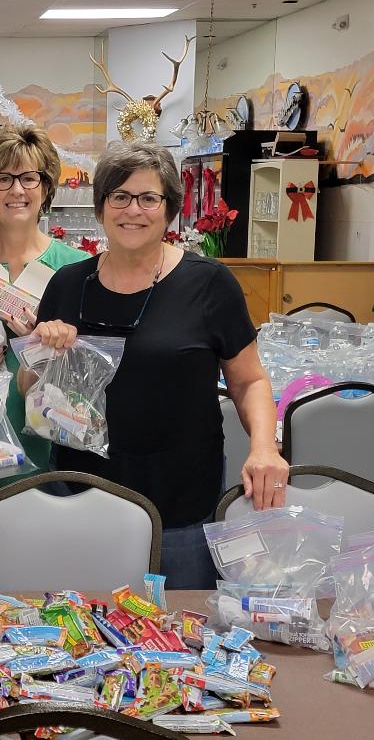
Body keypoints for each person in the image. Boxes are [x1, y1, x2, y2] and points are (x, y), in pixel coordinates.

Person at [21, 141, 288, 589]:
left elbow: (249, 381)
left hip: (180, 498)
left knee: (180, 629)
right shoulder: (69, 284)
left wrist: (264, 447)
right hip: (83, 493)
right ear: (102, 206)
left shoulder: (209, 283)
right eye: (119, 196)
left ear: (169, 209)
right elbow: (30, 385)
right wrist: (43, 349)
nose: (133, 210)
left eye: (149, 198)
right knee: (87, 630)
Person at [0, 125, 90, 492]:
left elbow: (93, 366)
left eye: (29, 178)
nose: (17, 190)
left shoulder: (79, 268)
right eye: (4, 179)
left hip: (56, 445)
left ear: (46, 188)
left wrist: (48, 347)